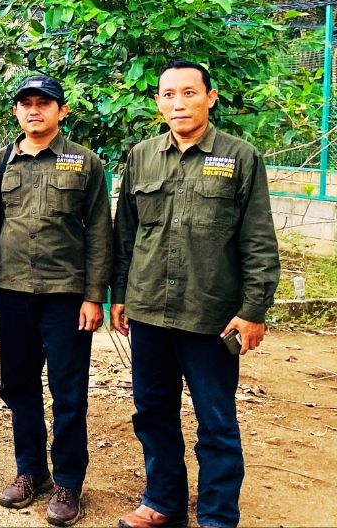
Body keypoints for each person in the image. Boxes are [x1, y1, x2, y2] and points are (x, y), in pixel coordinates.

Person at [112, 61, 279, 528]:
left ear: (211, 97)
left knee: (217, 422)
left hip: (210, 314)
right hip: (148, 311)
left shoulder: (240, 156)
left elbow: (258, 239)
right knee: (152, 413)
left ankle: (217, 516)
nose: (178, 103)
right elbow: (125, 233)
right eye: (168, 94)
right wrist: (119, 294)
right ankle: (162, 502)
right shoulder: (141, 156)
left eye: (189, 92)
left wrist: (253, 310)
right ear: (158, 102)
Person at [0, 75, 111, 526]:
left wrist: (96, 296)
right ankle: (31, 471)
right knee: (18, 386)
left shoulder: (85, 163)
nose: (34, 110)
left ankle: (70, 482)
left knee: (68, 391)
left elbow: (99, 234)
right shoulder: (2, 160)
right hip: (13, 292)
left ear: (61, 110)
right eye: (26, 103)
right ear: (16, 111)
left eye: (43, 103)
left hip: (66, 296)